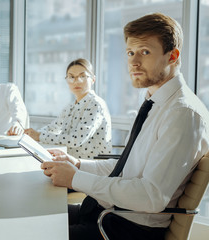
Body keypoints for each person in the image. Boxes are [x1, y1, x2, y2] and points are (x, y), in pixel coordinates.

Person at [41, 13, 209, 240]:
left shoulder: (182, 114)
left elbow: (151, 196)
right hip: (107, 213)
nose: (133, 62)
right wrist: (79, 164)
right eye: (130, 53)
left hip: (128, 228)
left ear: (173, 56)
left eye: (145, 52)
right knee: (34, 215)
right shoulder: (156, 102)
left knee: (35, 231)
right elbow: (128, 167)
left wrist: (75, 178)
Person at [24, 58, 112, 159]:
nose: (77, 81)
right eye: (71, 77)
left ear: (93, 79)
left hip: (93, 166)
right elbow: (53, 128)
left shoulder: (96, 104)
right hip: (74, 164)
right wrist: (30, 134)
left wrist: (39, 136)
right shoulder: (71, 107)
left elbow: (76, 139)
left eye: (82, 76)